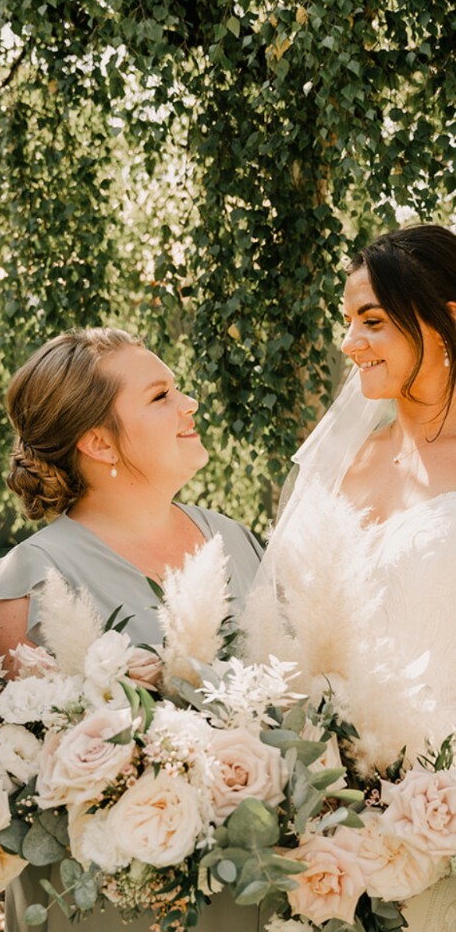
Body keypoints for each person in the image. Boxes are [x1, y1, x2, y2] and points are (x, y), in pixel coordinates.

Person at [0, 328, 263, 932]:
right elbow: (24, 783)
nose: (189, 405)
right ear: (99, 443)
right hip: (115, 905)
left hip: (252, 889)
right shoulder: (27, 582)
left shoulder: (234, 538)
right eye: (161, 397)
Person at [244, 224, 456, 931]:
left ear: (448, 316)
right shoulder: (344, 462)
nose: (349, 342)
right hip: (328, 812)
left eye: (372, 320)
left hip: (439, 803)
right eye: (347, 322)